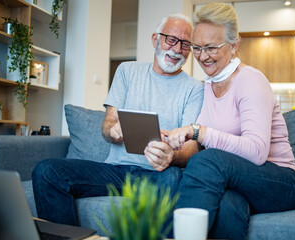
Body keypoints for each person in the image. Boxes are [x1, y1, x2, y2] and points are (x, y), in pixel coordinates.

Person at [32, 13, 204, 227]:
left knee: (172, 179)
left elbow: (192, 148)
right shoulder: (126, 71)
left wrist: (172, 155)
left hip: (158, 174)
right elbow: (108, 124)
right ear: (155, 40)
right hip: (115, 170)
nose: (177, 49)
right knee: (46, 171)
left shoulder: (195, 88)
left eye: (185, 44)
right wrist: (113, 131)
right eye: (171, 40)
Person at [164, 3, 295, 240]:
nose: (202, 56)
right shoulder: (207, 86)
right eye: (197, 48)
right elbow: (201, 142)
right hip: (240, 181)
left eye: (211, 47)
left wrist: (199, 131)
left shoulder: (251, 80)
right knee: (228, 205)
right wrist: (171, 143)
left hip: (280, 182)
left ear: (234, 45)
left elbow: (258, 152)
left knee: (207, 160)